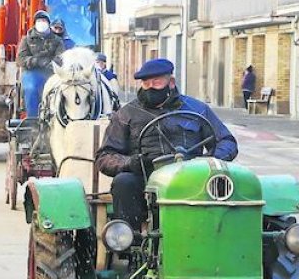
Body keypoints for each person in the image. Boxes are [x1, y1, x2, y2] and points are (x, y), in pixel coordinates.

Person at [95, 58, 238, 230]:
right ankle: (129, 242)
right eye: (146, 83)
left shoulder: (197, 109)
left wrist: (208, 161)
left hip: (193, 177)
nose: (150, 87)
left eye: (156, 82)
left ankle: (218, 233)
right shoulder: (126, 114)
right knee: (123, 182)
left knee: (225, 183)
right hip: (145, 178)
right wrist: (131, 163)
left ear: (171, 82)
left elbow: (227, 141)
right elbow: (105, 157)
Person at [17, 10, 64, 117]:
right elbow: (20, 59)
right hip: (31, 72)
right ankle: (33, 119)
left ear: (48, 23)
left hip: (51, 73)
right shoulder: (27, 40)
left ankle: (59, 116)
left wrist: (51, 64)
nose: (42, 23)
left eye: (44, 20)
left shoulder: (57, 40)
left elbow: (61, 57)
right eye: (39, 21)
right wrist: (36, 61)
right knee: (31, 88)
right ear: (35, 23)